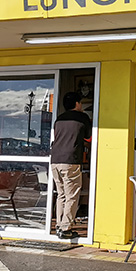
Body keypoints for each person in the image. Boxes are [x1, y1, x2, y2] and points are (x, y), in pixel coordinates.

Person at [50, 91, 92, 239]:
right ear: (76, 104)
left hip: (55, 160)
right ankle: (66, 228)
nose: (81, 105)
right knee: (72, 195)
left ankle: (58, 225)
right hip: (70, 160)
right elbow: (88, 136)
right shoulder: (82, 118)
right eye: (80, 102)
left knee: (61, 194)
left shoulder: (59, 119)